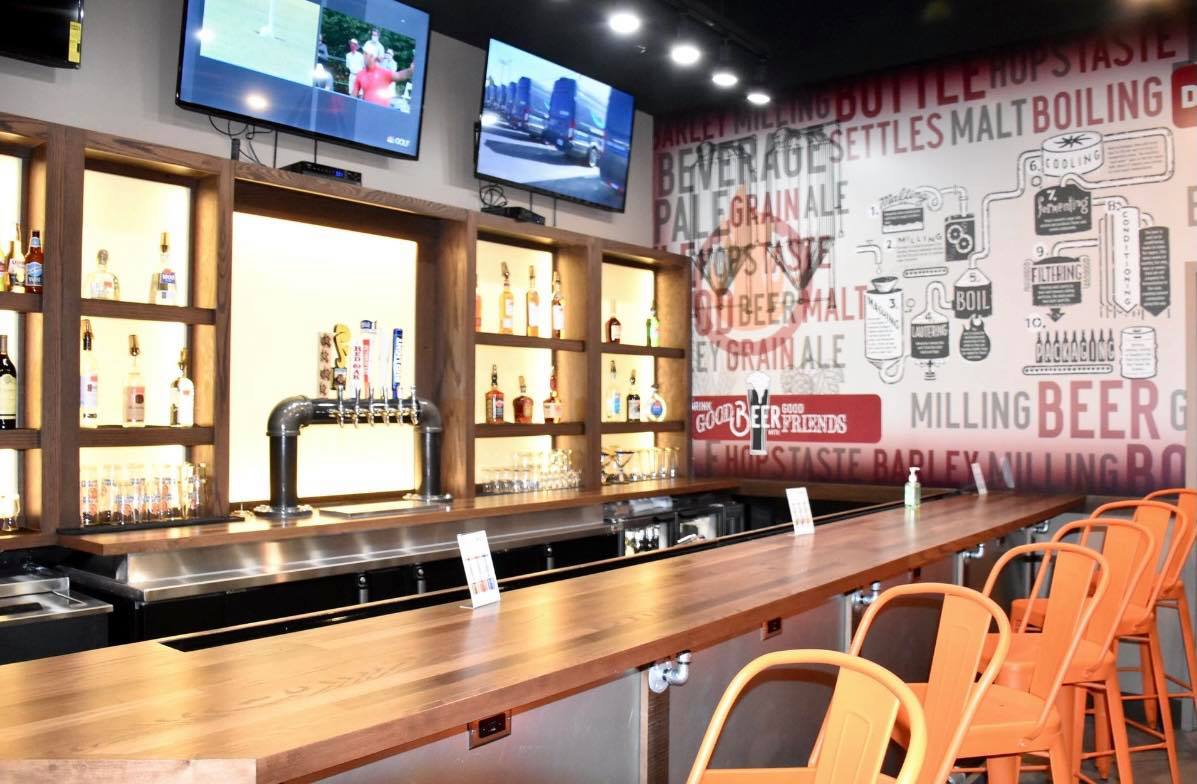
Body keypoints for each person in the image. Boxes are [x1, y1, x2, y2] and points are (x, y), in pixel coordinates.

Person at [351, 52, 415, 107]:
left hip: (382, 110)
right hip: (366, 109)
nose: (365, 57)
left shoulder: (383, 72)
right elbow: (353, 96)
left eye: (368, 55)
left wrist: (411, 70)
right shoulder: (360, 74)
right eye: (365, 54)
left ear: (373, 57)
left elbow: (399, 75)